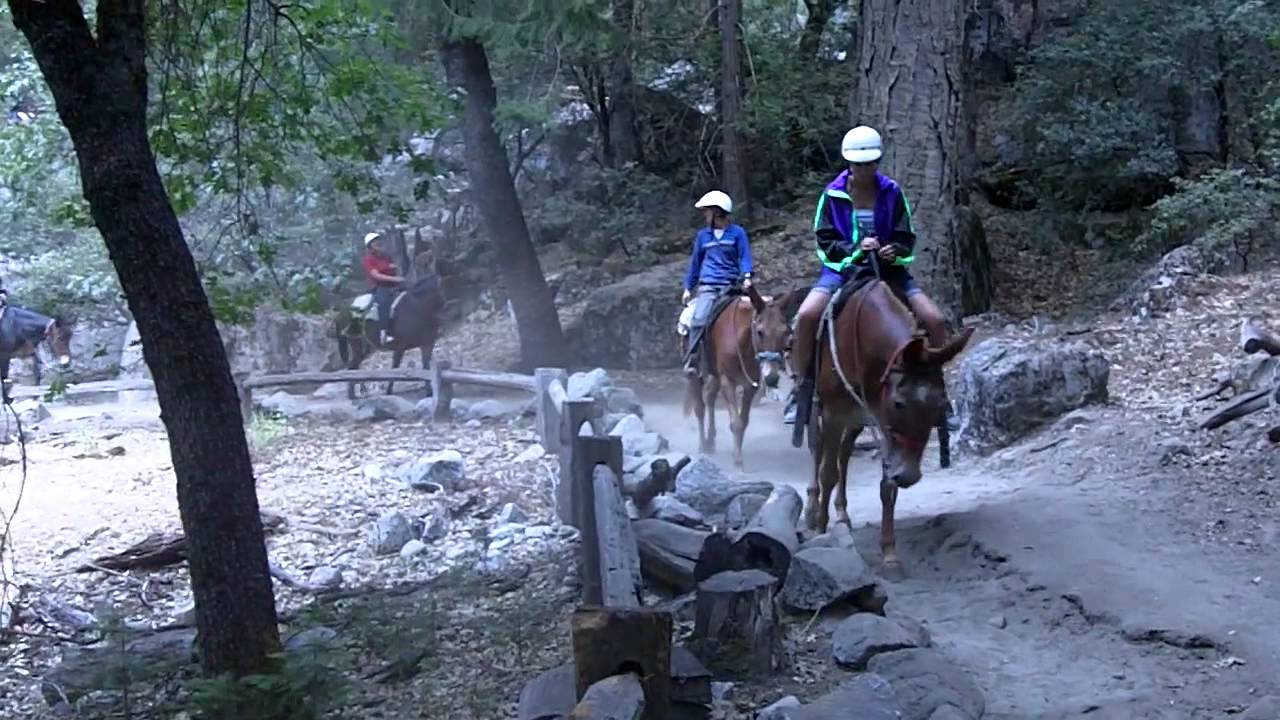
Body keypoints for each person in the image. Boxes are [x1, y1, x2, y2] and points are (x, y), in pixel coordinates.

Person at [783, 125, 950, 425]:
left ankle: (936, 393)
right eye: (858, 165)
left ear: (877, 162)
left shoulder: (892, 192)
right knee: (807, 316)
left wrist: (893, 251)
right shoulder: (832, 195)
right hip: (842, 272)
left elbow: (906, 236)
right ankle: (801, 390)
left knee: (935, 320)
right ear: (849, 163)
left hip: (889, 272)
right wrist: (856, 251)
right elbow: (824, 242)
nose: (863, 170)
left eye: (869, 164)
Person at [681, 190, 754, 376]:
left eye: (707, 211)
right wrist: (688, 287)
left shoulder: (737, 233)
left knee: (757, 317)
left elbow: (744, 256)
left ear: (717, 212)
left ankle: (758, 363)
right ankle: (693, 359)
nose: (705, 215)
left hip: (732, 287)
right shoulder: (703, 236)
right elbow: (695, 263)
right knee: (698, 320)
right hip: (709, 286)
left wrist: (747, 276)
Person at [361, 232, 404, 344]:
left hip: (394, 285)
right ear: (370, 246)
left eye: (378, 240)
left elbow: (393, 269)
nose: (378, 243)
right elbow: (376, 275)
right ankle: (384, 332)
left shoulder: (387, 257)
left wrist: (398, 277)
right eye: (374, 242)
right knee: (384, 302)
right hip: (379, 286)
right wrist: (395, 279)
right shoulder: (368, 259)